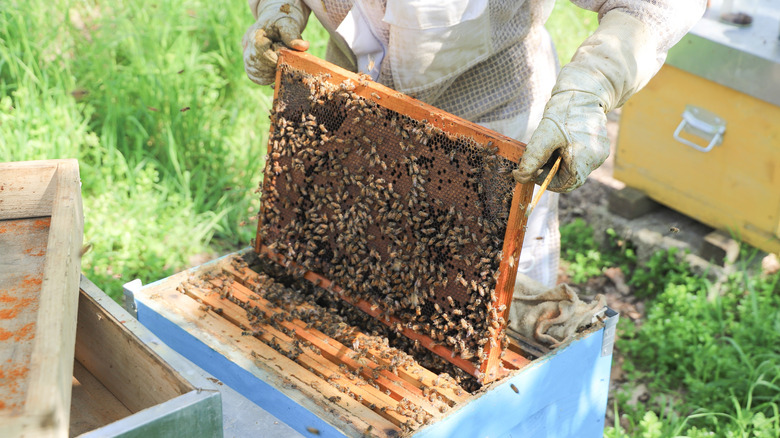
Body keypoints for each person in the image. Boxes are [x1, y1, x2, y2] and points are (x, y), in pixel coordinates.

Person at [242, 0, 705, 344]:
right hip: (352, 109)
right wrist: (281, 8)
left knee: (493, 319)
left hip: (491, 133)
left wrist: (592, 85)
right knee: (347, 284)